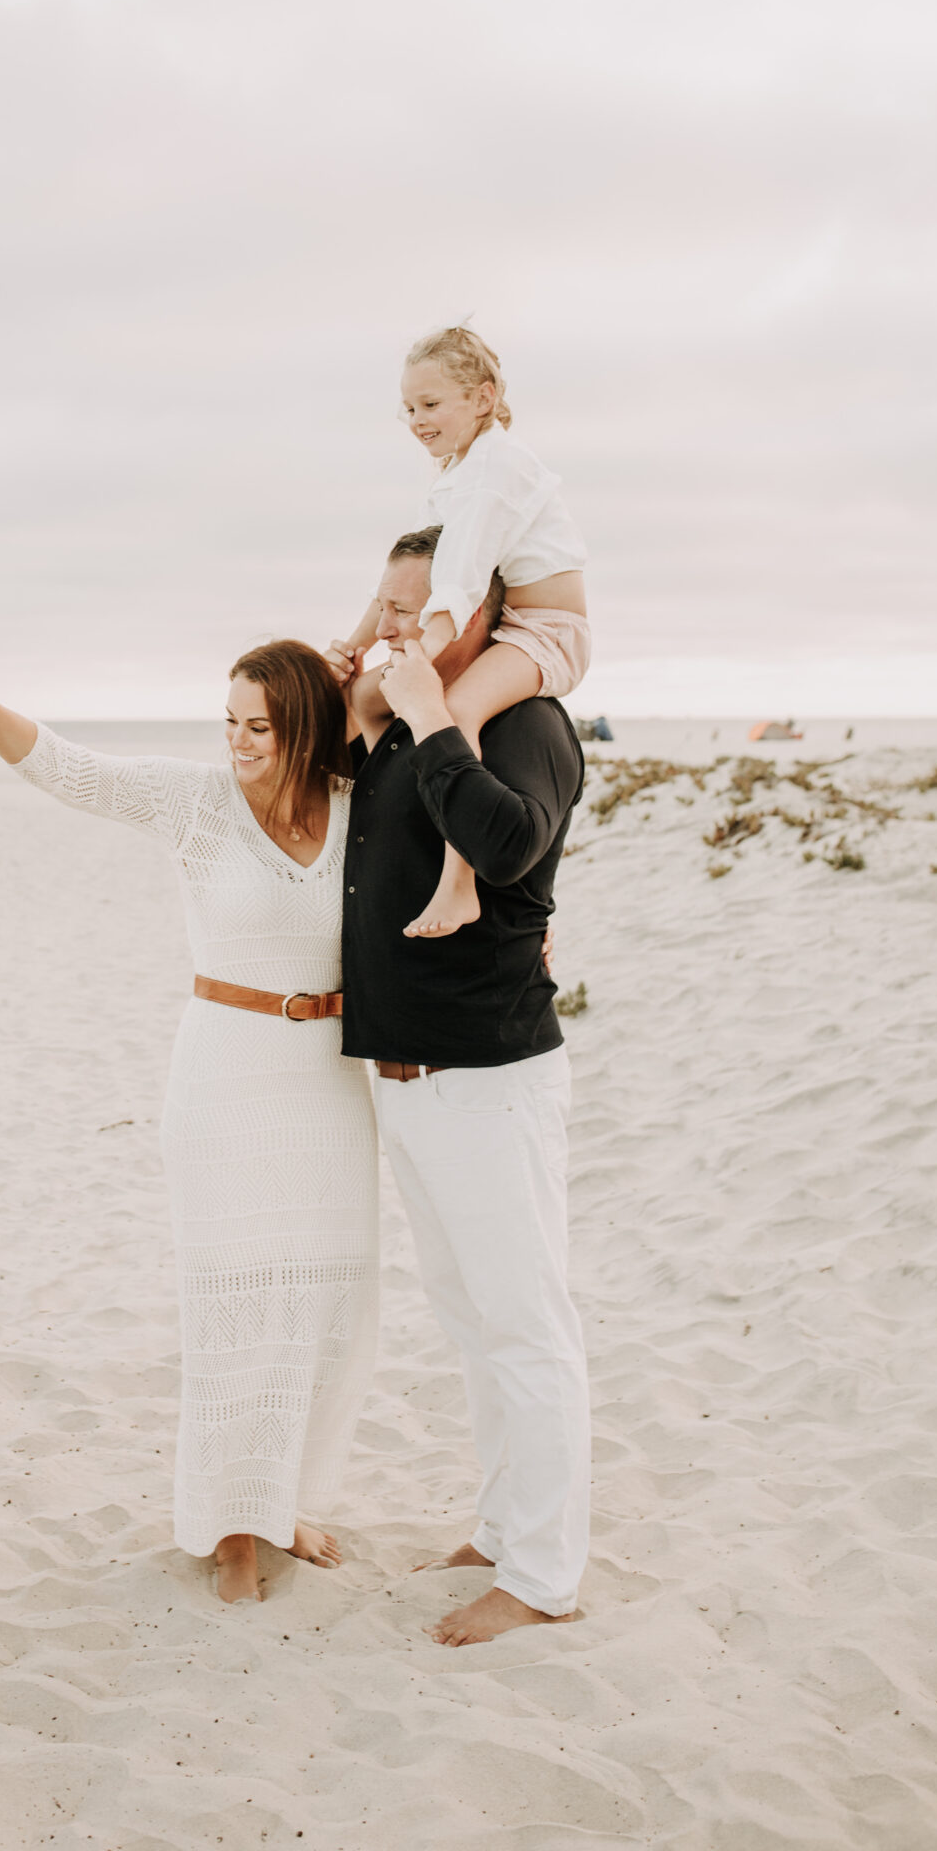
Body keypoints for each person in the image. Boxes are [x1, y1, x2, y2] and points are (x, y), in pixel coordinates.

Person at [0, 643, 378, 1605]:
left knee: (317, 1304)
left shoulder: (360, 807)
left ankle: (278, 1495)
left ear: (303, 729)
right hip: (224, 1073)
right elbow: (72, 769)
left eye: (261, 726)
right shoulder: (195, 802)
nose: (240, 744)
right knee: (235, 1301)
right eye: (230, 723)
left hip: (330, 1083)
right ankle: (231, 1529)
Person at [341, 528, 590, 1646]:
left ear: (478, 613)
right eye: (386, 605)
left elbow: (509, 842)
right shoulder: (404, 725)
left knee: (524, 1323)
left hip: (488, 1073)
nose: (398, 624)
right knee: (472, 1320)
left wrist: (435, 721)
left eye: (419, 605)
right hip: (408, 1076)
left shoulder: (524, 724)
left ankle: (542, 1573)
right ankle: (503, 1525)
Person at [335, 326, 588, 938]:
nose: (415, 420)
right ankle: (381, 796)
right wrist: (351, 648)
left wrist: (417, 660)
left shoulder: (495, 470)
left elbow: (458, 584)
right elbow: (405, 575)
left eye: (429, 404)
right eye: (409, 408)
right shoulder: (455, 469)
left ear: (482, 398)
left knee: (455, 708)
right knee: (367, 696)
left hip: (544, 634)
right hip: (499, 624)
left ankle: (459, 884)